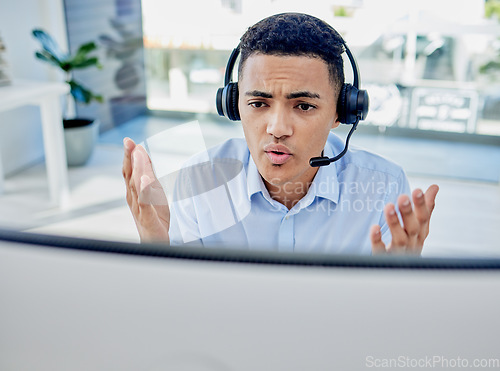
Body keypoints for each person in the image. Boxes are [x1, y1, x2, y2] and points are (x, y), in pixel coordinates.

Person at [122, 13, 439, 255]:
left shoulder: (383, 188)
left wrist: (398, 285)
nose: (277, 129)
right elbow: (186, 312)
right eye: (258, 103)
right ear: (233, 105)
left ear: (341, 113)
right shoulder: (201, 180)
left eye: (303, 106)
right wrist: (157, 247)